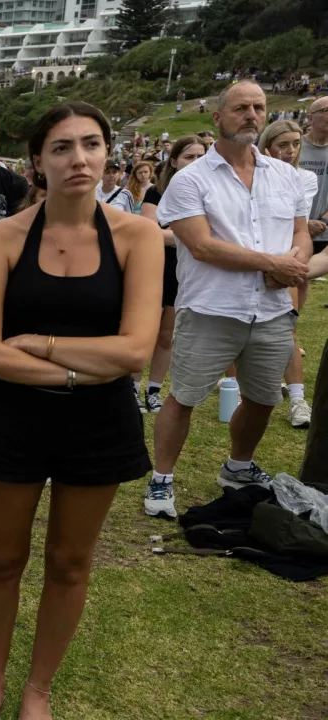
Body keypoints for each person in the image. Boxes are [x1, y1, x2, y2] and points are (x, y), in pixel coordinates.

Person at [0, 102, 162, 720]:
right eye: (62, 147)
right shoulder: (1, 238)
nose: (79, 158)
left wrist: (42, 345)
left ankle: (38, 690)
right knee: (2, 560)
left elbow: (135, 351)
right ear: (38, 162)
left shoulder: (137, 237)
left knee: (70, 563)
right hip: (12, 419)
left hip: (99, 424)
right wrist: (83, 368)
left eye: (91, 144)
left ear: (107, 154)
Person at [150, 81, 312, 520]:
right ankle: (161, 478)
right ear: (218, 117)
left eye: (258, 106)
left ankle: (238, 466)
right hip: (212, 308)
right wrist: (273, 264)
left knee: (263, 398)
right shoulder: (190, 180)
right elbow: (202, 246)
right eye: (241, 107)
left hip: (272, 311)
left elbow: (301, 232)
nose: (252, 114)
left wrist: (294, 263)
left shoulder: (286, 176)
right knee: (183, 397)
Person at [138, 136, 206, 415]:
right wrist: (191, 237)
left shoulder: (208, 193)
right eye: (190, 157)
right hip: (155, 266)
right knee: (144, 332)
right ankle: (131, 387)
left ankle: (154, 390)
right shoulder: (156, 192)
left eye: (201, 156)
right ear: (174, 161)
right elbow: (148, 231)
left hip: (186, 269)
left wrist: (175, 235)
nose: (196, 162)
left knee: (168, 336)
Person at [259, 118, 319, 429]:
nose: (291, 150)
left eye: (296, 144)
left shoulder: (304, 178)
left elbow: (299, 228)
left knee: (288, 331)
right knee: (235, 330)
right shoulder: (249, 176)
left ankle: (298, 400)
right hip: (251, 260)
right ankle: (237, 389)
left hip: (285, 260)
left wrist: (288, 267)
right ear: (267, 146)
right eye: (283, 145)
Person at [298, 97, 328, 254]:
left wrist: (324, 221)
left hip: (324, 231)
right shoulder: (293, 147)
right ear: (310, 119)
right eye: (326, 110)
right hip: (294, 232)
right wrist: (304, 223)